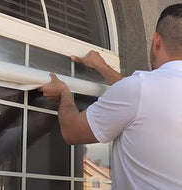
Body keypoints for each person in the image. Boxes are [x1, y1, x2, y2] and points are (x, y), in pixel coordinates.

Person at [40, 3, 182, 190]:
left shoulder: (141, 89)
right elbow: (143, 100)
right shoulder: (144, 91)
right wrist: (103, 67)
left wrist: (64, 93)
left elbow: (71, 130)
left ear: (156, 40)